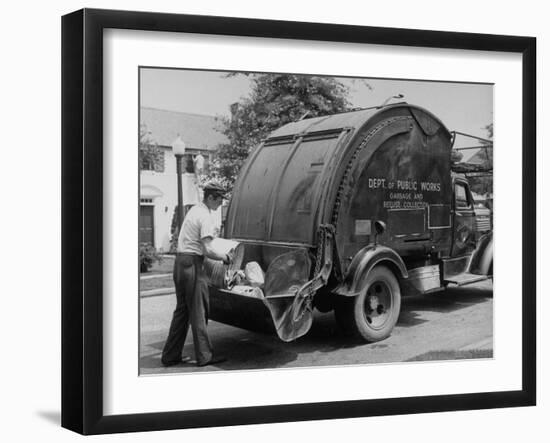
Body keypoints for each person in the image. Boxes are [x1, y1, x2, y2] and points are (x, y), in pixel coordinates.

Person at [161, 182, 232, 367]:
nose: (220, 204)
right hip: (192, 264)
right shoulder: (205, 215)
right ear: (210, 197)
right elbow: (208, 249)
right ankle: (204, 356)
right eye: (219, 199)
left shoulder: (194, 211)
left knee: (182, 312)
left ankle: (170, 355)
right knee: (199, 311)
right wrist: (226, 257)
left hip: (180, 263)